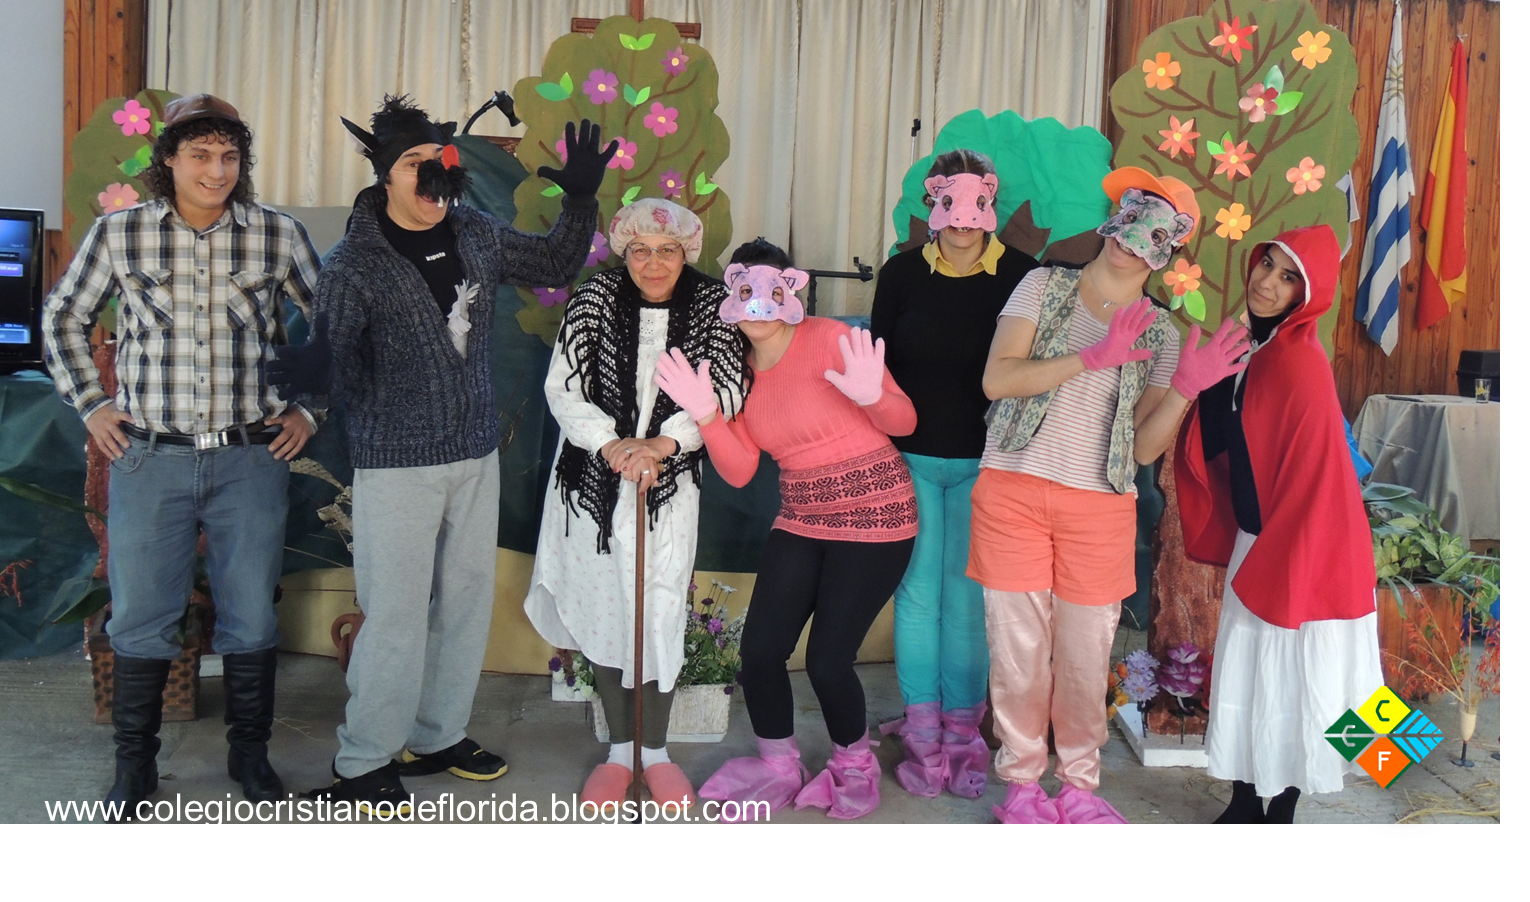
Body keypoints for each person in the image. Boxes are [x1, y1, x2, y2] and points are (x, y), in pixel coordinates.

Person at [291, 96, 611, 815]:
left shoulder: (474, 232)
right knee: (395, 616)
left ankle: (436, 737)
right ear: (384, 174)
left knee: (465, 604)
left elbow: (555, 262)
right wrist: (314, 377)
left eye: (442, 161)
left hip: (473, 454)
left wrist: (581, 200)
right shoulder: (352, 266)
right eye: (415, 164)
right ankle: (364, 761)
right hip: (397, 464)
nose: (433, 177)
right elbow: (333, 362)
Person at [42, 93, 322, 818]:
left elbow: (335, 325)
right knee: (140, 616)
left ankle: (249, 756)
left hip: (249, 459)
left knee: (251, 617)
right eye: (199, 155)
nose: (216, 170)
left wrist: (309, 409)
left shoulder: (277, 235)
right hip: (150, 459)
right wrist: (92, 404)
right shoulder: (121, 234)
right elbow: (63, 316)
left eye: (229, 156)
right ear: (167, 159)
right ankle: (135, 767)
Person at [972, 166, 1247, 824]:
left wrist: (1185, 389)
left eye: (1153, 232)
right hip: (1012, 491)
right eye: (1131, 219)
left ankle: (1079, 787)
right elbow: (997, 380)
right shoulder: (1043, 286)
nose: (1131, 240)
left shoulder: (1161, 333)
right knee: (1017, 655)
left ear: (1168, 250)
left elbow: (1145, 448)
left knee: (1085, 657)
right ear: (1114, 218)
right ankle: (1020, 784)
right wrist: (1091, 358)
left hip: (1099, 508)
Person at [656, 238, 918, 820]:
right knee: (759, 653)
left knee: (827, 660)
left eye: (771, 289)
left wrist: (874, 396)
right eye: (744, 289)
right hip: (802, 514)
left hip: (875, 512)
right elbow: (740, 469)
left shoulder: (828, 338)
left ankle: (854, 764)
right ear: (730, 295)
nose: (758, 303)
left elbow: (904, 420)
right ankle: (778, 764)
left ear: (791, 291)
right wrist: (707, 414)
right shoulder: (736, 371)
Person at [523, 198, 748, 809]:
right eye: (641, 250)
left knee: (660, 609)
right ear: (624, 252)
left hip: (669, 484)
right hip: (592, 486)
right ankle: (621, 754)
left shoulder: (712, 305)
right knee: (609, 609)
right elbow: (563, 387)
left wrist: (663, 445)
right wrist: (613, 445)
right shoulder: (594, 299)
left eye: (667, 250)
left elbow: (729, 387)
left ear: (687, 252)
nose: (654, 263)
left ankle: (657, 753)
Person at [1175, 225, 1384, 824]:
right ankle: (1244, 797)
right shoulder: (1254, 350)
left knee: (1307, 675)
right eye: (1266, 265)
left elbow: (1320, 480)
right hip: (1261, 538)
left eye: (1288, 277)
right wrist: (1207, 378)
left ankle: (1286, 802)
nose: (1266, 283)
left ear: (1307, 295)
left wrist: (1289, 554)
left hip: (1310, 548)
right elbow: (1227, 443)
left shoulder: (1302, 363)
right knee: (1248, 669)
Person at [870, 149, 1039, 799]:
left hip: (989, 464)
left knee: (967, 598)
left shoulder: (1023, 277)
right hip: (910, 460)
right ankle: (921, 724)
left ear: (990, 202)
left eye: (977, 205)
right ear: (933, 202)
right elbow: (878, 370)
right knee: (916, 595)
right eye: (950, 203)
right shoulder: (901, 274)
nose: (963, 219)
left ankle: (964, 729)